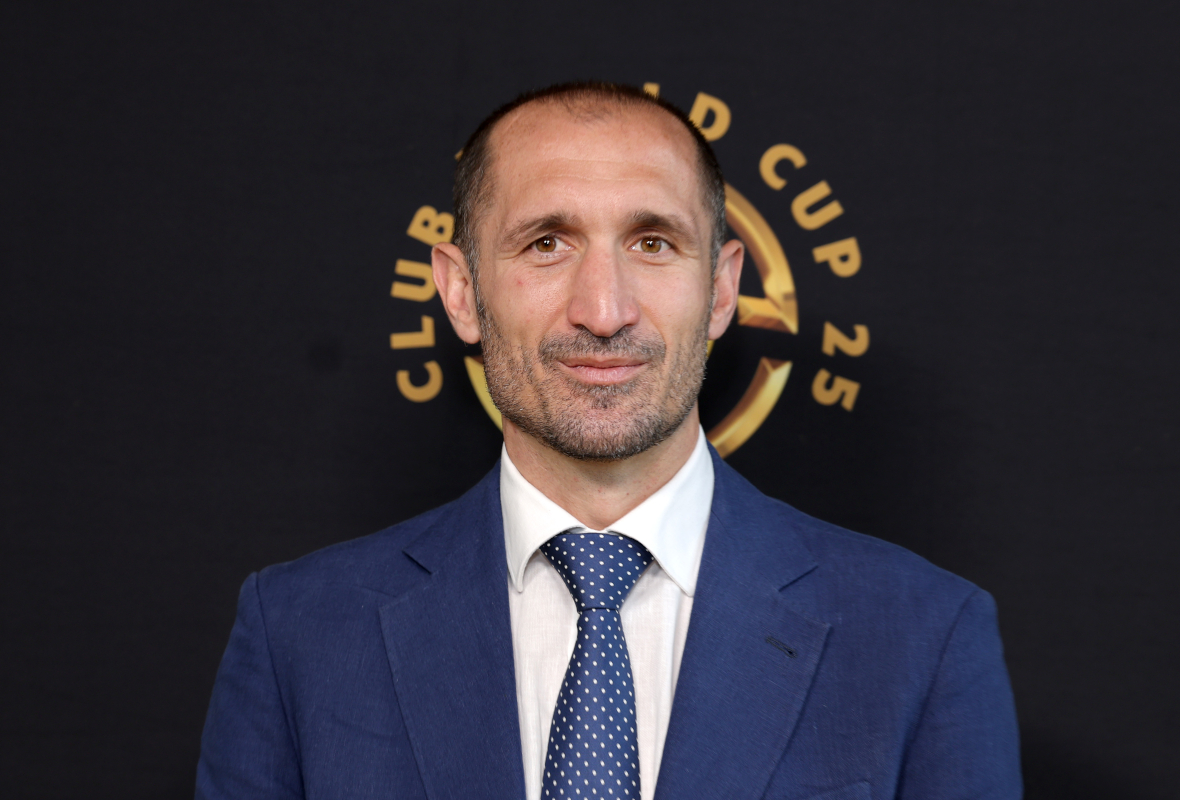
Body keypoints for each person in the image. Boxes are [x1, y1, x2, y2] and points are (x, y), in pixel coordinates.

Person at [197, 82, 1022, 800]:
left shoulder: (924, 637)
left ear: (724, 287)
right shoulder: (299, 636)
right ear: (458, 291)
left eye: (653, 243)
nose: (604, 309)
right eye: (546, 243)